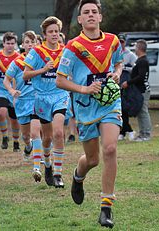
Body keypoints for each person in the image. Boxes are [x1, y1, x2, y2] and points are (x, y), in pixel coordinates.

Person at [56, 0, 123, 228]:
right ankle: (78, 175)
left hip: (110, 102)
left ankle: (106, 206)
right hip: (85, 107)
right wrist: (84, 89)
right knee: (92, 159)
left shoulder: (113, 41)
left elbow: (119, 64)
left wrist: (116, 73)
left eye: (95, 11)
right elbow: (60, 80)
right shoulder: (73, 47)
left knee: (111, 148)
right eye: (86, 12)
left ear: (101, 17)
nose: (91, 15)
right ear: (80, 20)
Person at [23, 16, 69, 188]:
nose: (54, 34)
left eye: (56, 31)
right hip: (41, 97)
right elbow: (25, 75)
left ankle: (58, 173)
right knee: (47, 138)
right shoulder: (37, 53)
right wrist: (43, 69)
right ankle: (47, 164)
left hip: (60, 95)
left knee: (58, 133)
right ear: (44, 34)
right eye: (51, 32)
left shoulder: (65, 51)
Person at [4, 31, 41, 176]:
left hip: (37, 100)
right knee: (26, 136)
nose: (30, 45)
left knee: (36, 132)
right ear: (23, 44)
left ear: (38, 44)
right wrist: (12, 91)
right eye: (27, 42)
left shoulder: (42, 61)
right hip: (22, 101)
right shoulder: (18, 62)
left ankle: (38, 164)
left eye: (33, 42)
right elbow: (6, 80)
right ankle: (28, 146)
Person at [0, 32, 20, 150]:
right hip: (0, 90)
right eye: (8, 43)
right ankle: (5, 136)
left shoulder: (18, 57)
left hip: (14, 91)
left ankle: (16, 141)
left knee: (14, 118)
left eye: (12, 43)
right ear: (3, 44)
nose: (10, 46)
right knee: (0, 113)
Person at [122, 39, 152, 142]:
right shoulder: (139, 60)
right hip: (139, 90)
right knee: (140, 112)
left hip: (143, 90)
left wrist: (128, 82)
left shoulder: (143, 61)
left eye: (136, 47)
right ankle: (142, 133)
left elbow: (141, 76)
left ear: (139, 48)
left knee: (143, 112)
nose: (135, 49)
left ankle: (146, 134)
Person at [118, 34, 137, 141]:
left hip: (126, 84)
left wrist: (125, 67)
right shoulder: (114, 54)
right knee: (120, 109)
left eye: (122, 42)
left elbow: (135, 67)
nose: (121, 44)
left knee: (124, 108)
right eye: (119, 42)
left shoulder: (130, 55)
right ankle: (124, 131)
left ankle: (128, 130)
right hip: (117, 84)